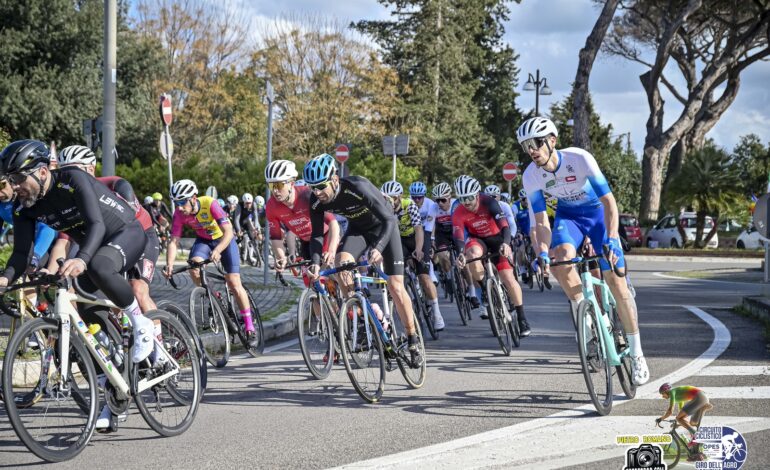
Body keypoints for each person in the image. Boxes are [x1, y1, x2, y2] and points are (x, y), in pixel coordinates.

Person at [0, 140, 156, 432]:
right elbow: (21, 254)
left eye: (19, 178)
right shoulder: (24, 207)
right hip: (95, 246)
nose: (15, 186)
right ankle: (114, 395)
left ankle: (142, 323)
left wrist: (82, 259)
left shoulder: (73, 179)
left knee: (97, 268)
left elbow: (96, 224)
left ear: (43, 172)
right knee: (85, 313)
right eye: (10, 180)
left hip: (125, 232)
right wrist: (5, 278)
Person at [518, 116, 649, 384]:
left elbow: (609, 202)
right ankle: (585, 314)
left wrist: (612, 239)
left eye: (537, 143)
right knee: (560, 261)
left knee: (615, 281)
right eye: (526, 146)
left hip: (598, 214)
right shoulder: (531, 175)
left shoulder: (579, 159)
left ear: (552, 141)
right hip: (569, 217)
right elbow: (542, 221)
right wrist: (542, 252)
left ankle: (637, 355)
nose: (532, 150)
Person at [303, 153, 423, 367]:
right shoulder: (316, 200)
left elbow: (389, 219)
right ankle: (358, 314)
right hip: (359, 230)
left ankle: (413, 338)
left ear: (334, 179)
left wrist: (378, 248)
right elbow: (316, 235)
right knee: (341, 263)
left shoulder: (357, 187)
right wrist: (314, 261)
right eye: (312, 187)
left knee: (395, 285)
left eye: (321, 186)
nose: (317, 192)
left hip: (385, 227)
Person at [50, 145, 160, 314]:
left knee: (137, 290)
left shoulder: (112, 185)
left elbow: (129, 220)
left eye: (73, 170)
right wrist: (52, 273)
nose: (67, 176)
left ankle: (156, 336)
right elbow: (62, 242)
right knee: (77, 294)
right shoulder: (69, 199)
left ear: (90, 169)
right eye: (63, 171)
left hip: (141, 236)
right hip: (108, 245)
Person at [162, 179, 259, 348]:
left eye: (182, 202)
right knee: (194, 267)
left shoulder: (210, 203)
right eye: (176, 202)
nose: (179, 207)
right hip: (204, 241)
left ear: (193, 198)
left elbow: (229, 232)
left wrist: (219, 250)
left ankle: (250, 327)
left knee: (234, 283)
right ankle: (215, 296)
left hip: (225, 240)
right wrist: (169, 264)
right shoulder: (179, 214)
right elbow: (174, 241)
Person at [452, 175, 530, 336]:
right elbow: (458, 235)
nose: (466, 202)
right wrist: (460, 254)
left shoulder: (489, 202)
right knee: (471, 255)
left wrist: (506, 244)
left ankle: (521, 317)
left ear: (477, 194)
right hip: (478, 240)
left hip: (498, 239)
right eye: (462, 199)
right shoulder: (459, 211)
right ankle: (485, 291)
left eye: (469, 198)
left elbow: (505, 226)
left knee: (508, 277)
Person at [382, 181, 445, 330]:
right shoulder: (383, 208)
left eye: (394, 198)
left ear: (400, 196)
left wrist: (418, 249)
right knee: (397, 277)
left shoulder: (409, 205)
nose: (391, 202)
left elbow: (418, 229)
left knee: (424, 276)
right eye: (387, 199)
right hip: (398, 241)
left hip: (413, 238)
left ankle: (436, 312)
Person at [263, 160, 340, 277]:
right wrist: (281, 257)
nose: (275, 190)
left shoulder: (308, 195)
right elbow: (276, 237)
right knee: (310, 279)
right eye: (271, 185)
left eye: (279, 185)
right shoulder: (271, 206)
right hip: (306, 241)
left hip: (325, 236)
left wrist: (331, 250)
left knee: (328, 274)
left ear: (292, 183)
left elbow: (333, 223)